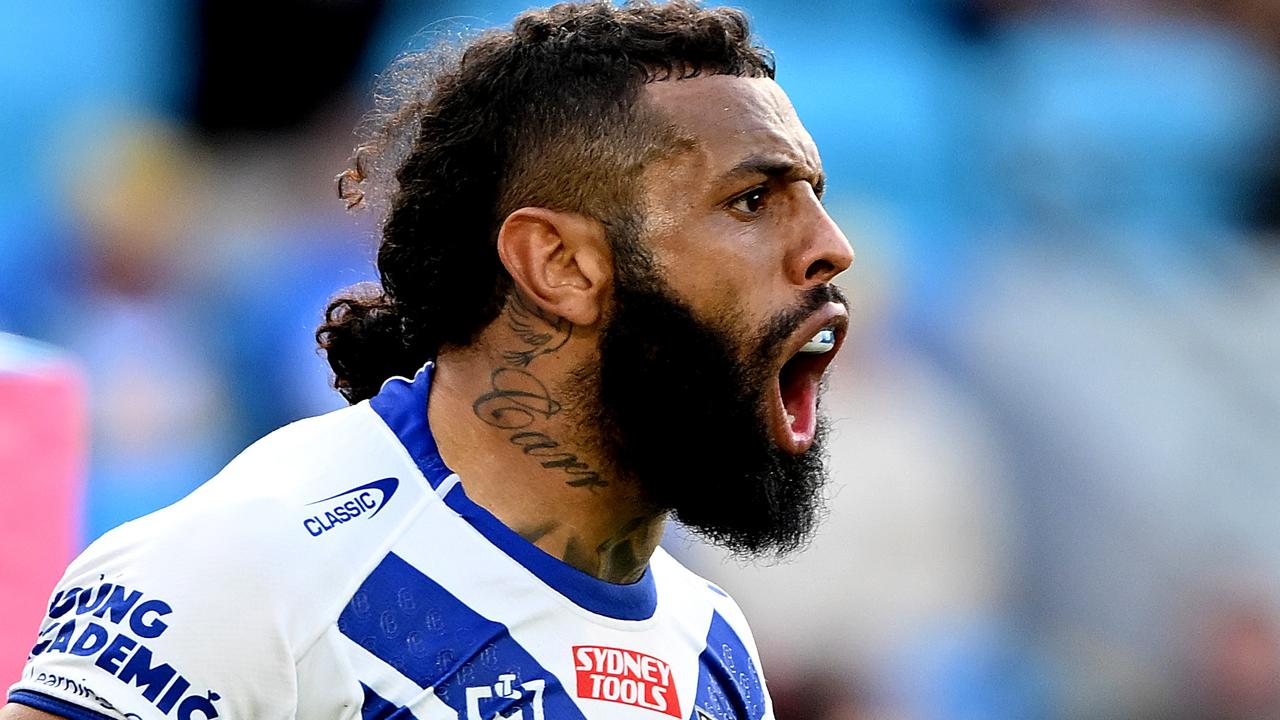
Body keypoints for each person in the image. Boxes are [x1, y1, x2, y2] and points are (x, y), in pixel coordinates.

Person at [1, 1, 853, 718]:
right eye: (752, 201)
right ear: (560, 265)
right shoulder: (262, 567)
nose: (834, 248)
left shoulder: (713, 649)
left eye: (814, 197)